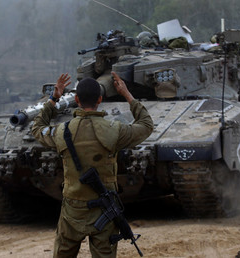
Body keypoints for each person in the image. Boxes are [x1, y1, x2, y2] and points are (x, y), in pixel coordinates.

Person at [31, 72, 153, 258]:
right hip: (104, 209)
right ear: (100, 99)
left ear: (77, 99)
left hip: (73, 209)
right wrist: (127, 95)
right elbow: (146, 125)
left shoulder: (61, 131)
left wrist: (54, 98)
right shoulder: (114, 130)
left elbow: (37, 128)